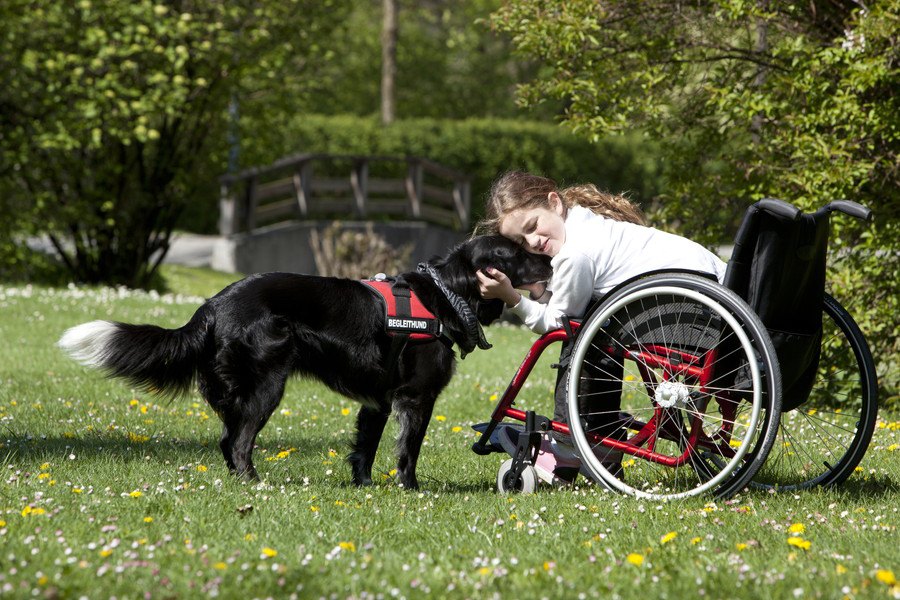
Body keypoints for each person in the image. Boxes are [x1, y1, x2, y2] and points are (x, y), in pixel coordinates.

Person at [476, 171, 727, 483]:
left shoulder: (575, 253)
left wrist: (511, 297)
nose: (533, 242)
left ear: (554, 202)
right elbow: (572, 296)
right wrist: (539, 292)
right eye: (520, 241)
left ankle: (571, 442)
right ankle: (598, 439)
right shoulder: (588, 223)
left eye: (532, 227)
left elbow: (556, 323)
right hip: (709, 299)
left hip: (687, 313)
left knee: (581, 331)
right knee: (594, 322)